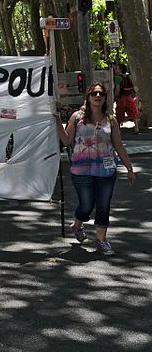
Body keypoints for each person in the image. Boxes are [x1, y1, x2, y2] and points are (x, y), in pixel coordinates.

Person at [55, 82, 135, 255]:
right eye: (94, 93)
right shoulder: (77, 117)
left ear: (105, 97)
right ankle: (77, 224)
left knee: (103, 206)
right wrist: (56, 122)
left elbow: (119, 146)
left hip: (106, 171)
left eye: (101, 94)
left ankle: (101, 240)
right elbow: (67, 140)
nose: (98, 96)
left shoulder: (111, 119)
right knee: (86, 205)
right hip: (81, 171)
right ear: (88, 97)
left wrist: (129, 168)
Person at [114, 64, 139, 134]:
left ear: (120, 70)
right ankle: (136, 128)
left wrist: (116, 97)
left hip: (121, 97)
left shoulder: (118, 77)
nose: (116, 70)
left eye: (117, 68)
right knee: (132, 112)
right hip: (129, 96)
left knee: (119, 113)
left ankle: (118, 130)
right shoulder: (128, 76)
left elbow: (117, 89)